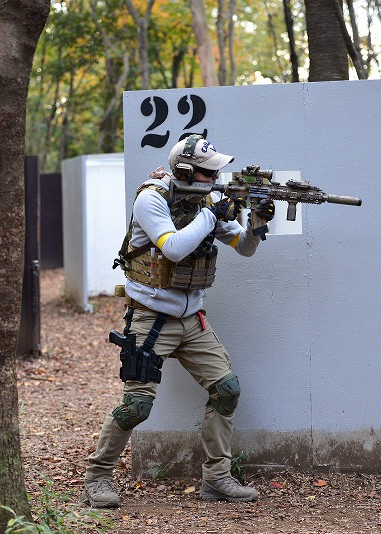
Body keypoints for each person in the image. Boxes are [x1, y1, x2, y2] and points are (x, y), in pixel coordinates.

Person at [83, 134, 275, 508]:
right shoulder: (151, 199)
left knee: (227, 389)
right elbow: (172, 246)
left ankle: (217, 478)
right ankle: (98, 477)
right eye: (208, 174)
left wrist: (254, 222)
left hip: (191, 319)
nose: (215, 181)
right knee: (137, 405)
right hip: (150, 318)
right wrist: (212, 214)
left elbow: (246, 249)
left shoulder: (207, 201)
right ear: (187, 172)